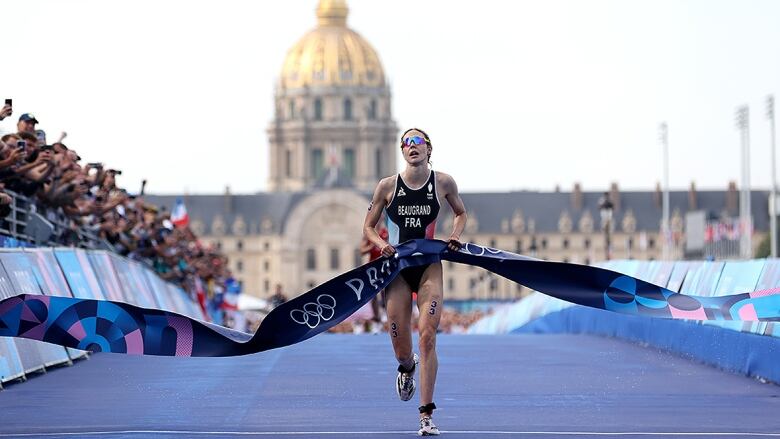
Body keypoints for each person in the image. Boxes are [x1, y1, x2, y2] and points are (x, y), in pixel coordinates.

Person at [363, 128, 467, 436]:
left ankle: (426, 415)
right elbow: (368, 227)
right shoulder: (387, 187)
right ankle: (407, 367)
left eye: (417, 142)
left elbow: (461, 213)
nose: (412, 147)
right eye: (406, 143)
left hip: (429, 267)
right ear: (402, 152)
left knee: (428, 336)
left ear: (429, 149)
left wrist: (454, 236)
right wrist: (380, 245)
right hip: (397, 270)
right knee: (402, 347)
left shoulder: (443, 183)